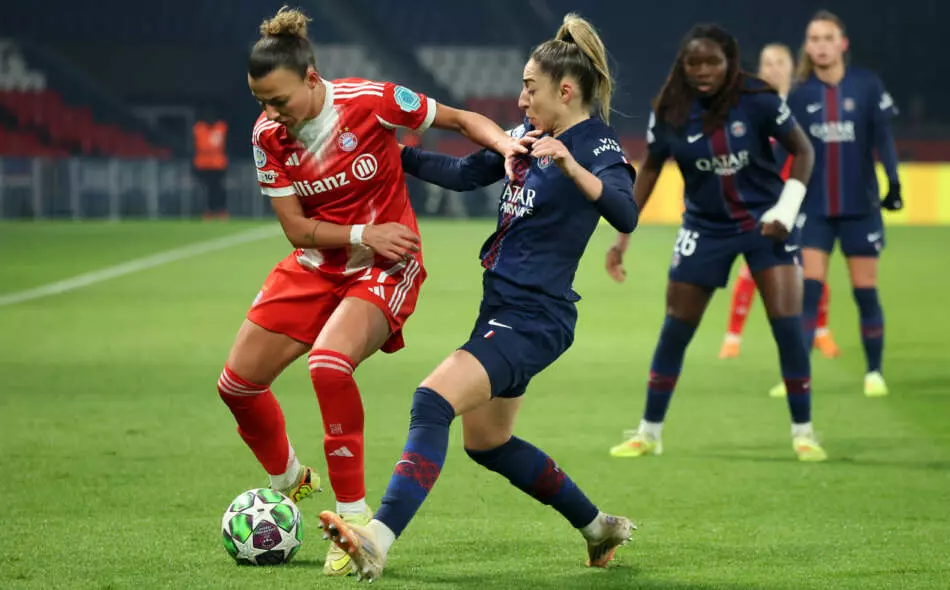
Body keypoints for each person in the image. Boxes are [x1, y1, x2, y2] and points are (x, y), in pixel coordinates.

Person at [317, 14, 638, 582]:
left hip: (536, 318)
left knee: (432, 400)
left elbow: (623, 209)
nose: (520, 99)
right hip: (503, 312)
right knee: (488, 442)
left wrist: (571, 166)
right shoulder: (530, 138)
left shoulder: (595, 143)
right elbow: (465, 174)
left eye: (529, 87)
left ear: (565, 91)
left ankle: (377, 538)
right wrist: (391, 153)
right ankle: (598, 527)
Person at [216, 6, 527, 577]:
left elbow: (458, 119)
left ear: (311, 79)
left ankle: (352, 522)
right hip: (317, 262)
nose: (270, 113)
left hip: (385, 265)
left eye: (279, 100)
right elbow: (296, 230)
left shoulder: (371, 100)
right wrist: (362, 232)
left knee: (328, 366)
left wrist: (506, 146)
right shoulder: (268, 137)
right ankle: (291, 479)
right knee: (236, 386)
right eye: (261, 100)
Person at [605, 24, 827, 462]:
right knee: (675, 329)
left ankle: (804, 432)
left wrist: (787, 209)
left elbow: (804, 151)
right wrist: (621, 237)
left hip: (767, 223)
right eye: (694, 63)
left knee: (787, 325)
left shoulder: (758, 98)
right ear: (682, 66)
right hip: (704, 228)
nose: (703, 71)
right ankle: (649, 432)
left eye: (713, 62)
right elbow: (649, 172)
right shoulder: (669, 110)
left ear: (730, 63)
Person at [769, 10, 902, 399]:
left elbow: (885, 139)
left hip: (861, 208)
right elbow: (784, 149)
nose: (821, 46)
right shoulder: (800, 93)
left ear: (842, 43)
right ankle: (799, 378)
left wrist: (893, 182)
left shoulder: (867, 86)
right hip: (815, 210)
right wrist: (768, 190)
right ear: (807, 47)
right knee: (808, 291)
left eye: (828, 38)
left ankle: (874, 372)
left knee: (865, 291)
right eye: (814, 39)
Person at [719, 43, 839, 360]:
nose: (773, 68)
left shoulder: (803, 105)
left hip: (802, 199)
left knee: (811, 270)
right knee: (752, 270)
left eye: (780, 62)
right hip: (762, 201)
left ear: (792, 66)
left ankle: (822, 332)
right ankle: (733, 337)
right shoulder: (752, 106)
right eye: (767, 62)